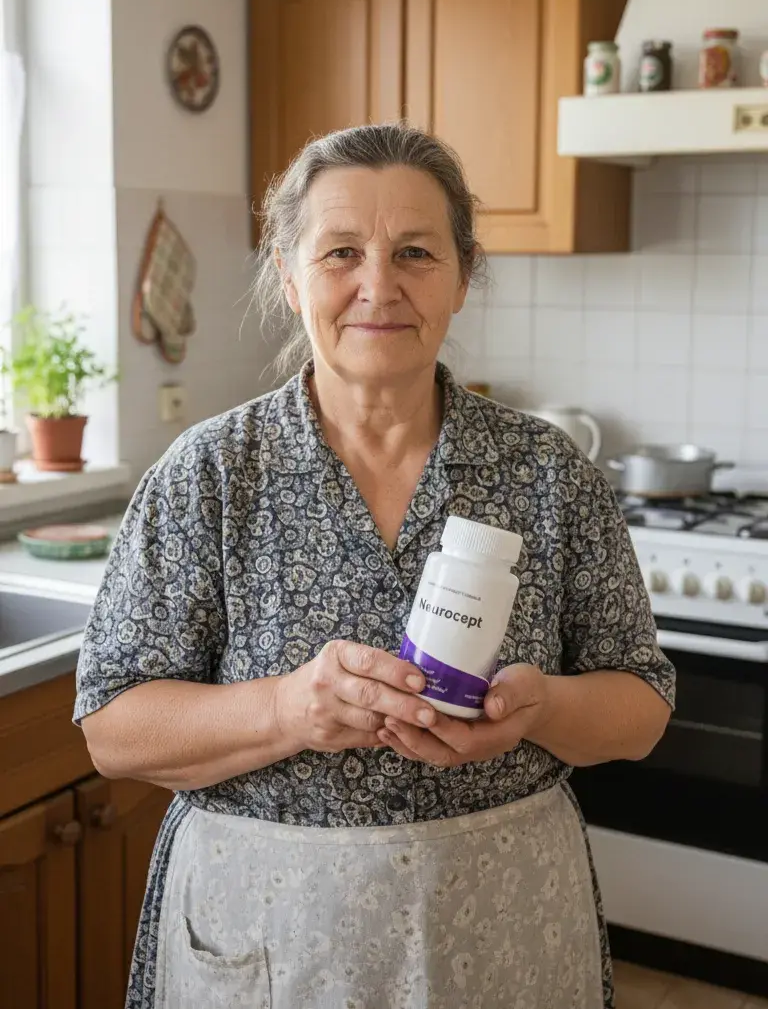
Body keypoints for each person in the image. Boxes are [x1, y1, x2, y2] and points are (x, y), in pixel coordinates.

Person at [76, 122, 675, 1009]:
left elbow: (641, 708)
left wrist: (543, 706)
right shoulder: (208, 475)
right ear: (288, 274)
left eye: (416, 252)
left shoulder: (548, 474)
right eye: (342, 252)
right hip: (270, 937)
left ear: (464, 275)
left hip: (504, 923)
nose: (378, 285)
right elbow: (113, 727)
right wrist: (287, 707)